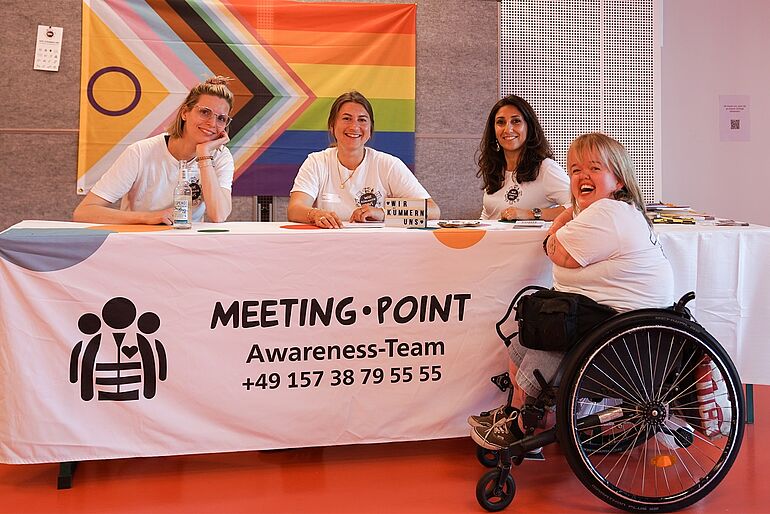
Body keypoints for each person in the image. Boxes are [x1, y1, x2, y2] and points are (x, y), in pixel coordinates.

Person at [470, 132, 674, 451]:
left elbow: (557, 251)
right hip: (624, 327)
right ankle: (515, 414)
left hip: (621, 336)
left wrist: (557, 228)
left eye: (594, 168)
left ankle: (524, 426)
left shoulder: (607, 213)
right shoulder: (611, 210)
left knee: (545, 331)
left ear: (618, 178)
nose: (582, 176)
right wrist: (568, 217)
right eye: (575, 169)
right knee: (526, 341)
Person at [73, 76, 235, 225]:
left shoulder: (220, 157)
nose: (212, 123)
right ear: (185, 112)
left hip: (187, 246)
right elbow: (84, 212)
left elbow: (218, 215)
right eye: (205, 112)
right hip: (138, 243)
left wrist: (204, 156)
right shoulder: (140, 152)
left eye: (221, 118)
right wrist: (148, 217)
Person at [287, 91, 440, 228]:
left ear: (370, 129)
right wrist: (315, 214)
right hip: (328, 248)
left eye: (362, 120)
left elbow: (432, 210)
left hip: (379, 251)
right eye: (347, 118)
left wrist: (384, 212)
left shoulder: (388, 164)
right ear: (332, 126)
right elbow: (295, 209)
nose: (354, 127)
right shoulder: (316, 162)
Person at [477, 95, 570, 221]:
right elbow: (488, 215)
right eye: (500, 122)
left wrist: (530, 214)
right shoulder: (495, 169)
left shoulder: (546, 168)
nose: (508, 129)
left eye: (516, 121)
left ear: (529, 127)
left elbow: (576, 208)